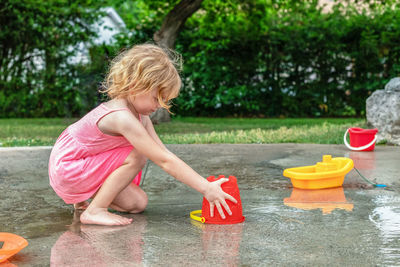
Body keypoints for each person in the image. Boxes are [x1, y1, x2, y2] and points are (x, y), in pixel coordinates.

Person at [48, 43, 237, 226]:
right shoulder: (121, 117)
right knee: (137, 154)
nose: (158, 107)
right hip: (69, 169)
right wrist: (206, 188)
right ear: (135, 86)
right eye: (156, 99)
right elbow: (163, 160)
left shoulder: (139, 116)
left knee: (138, 203)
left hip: (79, 167)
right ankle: (95, 210)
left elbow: (164, 153)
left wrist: (205, 184)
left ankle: (83, 200)